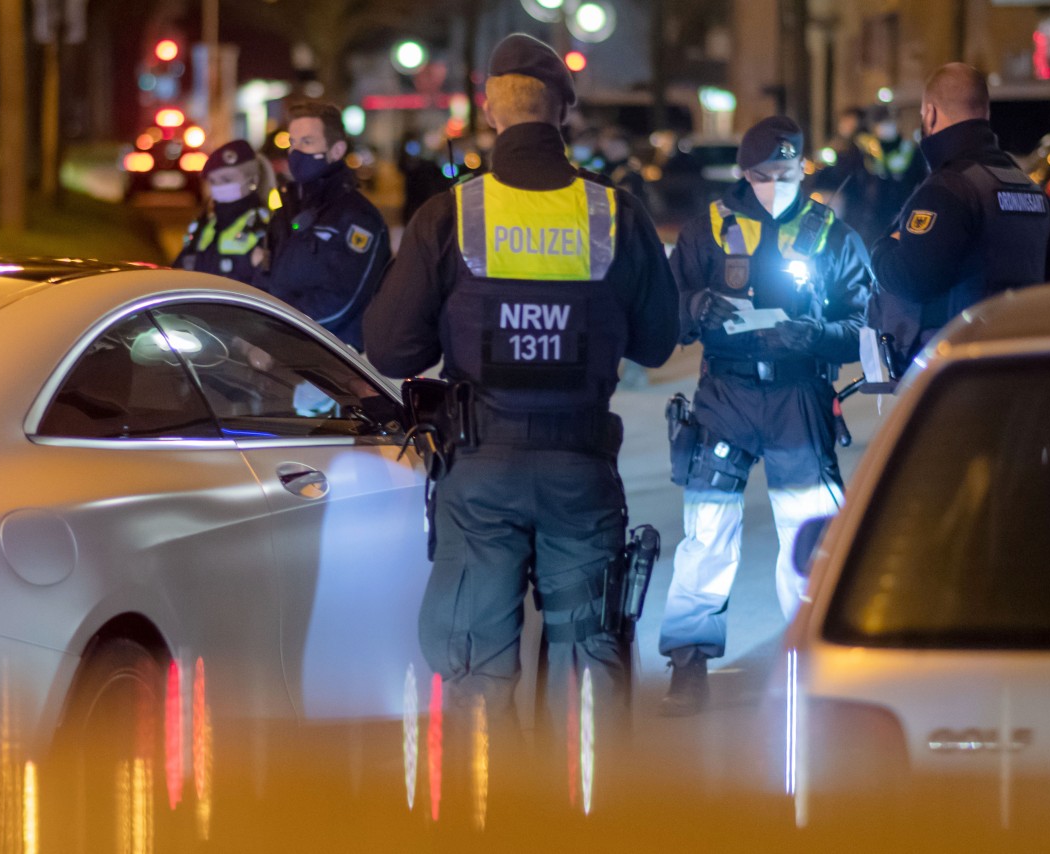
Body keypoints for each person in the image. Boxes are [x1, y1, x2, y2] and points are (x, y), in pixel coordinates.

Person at [363, 34, 679, 739]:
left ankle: (488, 820)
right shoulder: (616, 214)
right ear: (563, 113)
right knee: (589, 666)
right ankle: (578, 819)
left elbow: (390, 348)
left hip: (480, 470)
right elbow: (660, 339)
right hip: (581, 468)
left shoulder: (449, 216)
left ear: (489, 111)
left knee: (473, 668)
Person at [659, 116, 871, 717]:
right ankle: (689, 665)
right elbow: (665, 313)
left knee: (810, 538)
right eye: (760, 174)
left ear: (802, 167)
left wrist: (814, 336)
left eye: (784, 172)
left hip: (798, 397)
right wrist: (695, 305)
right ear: (742, 173)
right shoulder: (706, 230)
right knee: (706, 535)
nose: (773, 183)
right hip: (724, 396)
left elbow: (863, 329)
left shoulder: (832, 234)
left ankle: (813, 659)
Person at [869, 63, 1050, 377]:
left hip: (960, 373)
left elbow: (914, 279)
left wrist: (882, 248)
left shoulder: (948, 189)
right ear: (985, 113)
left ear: (930, 113)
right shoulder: (1026, 186)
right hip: (1024, 366)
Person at [254, 101, 391, 351]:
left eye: (307, 142)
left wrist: (275, 330)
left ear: (336, 150)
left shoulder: (357, 217)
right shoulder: (288, 207)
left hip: (333, 360)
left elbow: (341, 301)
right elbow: (269, 278)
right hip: (283, 351)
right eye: (292, 143)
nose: (296, 152)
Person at [173, 140, 274, 283]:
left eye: (226, 179)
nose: (218, 186)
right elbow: (176, 272)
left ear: (253, 180)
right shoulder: (203, 225)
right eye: (213, 181)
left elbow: (270, 286)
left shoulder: (266, 227)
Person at [852, 104, 927, 245]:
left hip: (903, 214)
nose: (884, 127)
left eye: (888, 122)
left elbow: (922, 182)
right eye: (880, 122)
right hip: (872, 218)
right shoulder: (866, 153)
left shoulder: (911, 151)